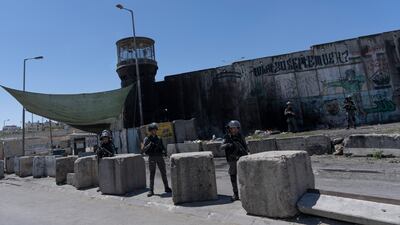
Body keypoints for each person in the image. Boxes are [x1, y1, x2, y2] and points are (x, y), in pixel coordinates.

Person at [220, 120, 249, 201]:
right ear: (229, 129)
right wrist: (228, 145)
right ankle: (235, 194)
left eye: (236, 128)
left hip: (241, 158)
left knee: (244, 176)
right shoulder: (227, 137)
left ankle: (246, 193)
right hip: (232, 159)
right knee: (233, 175)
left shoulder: (240, 136)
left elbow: (245, 147)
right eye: (232, 128)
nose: (234, 130)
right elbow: (221, 147)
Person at [142, 122, 172, 197]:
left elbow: (162, 147)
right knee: (152, 173)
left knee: (163, 172)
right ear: (150, 130)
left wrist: (164, 151)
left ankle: (166, 187)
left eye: (155, 130)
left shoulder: (159, 138)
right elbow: (143, 150)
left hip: (159, 157)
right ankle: (151, 190)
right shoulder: (147, 139)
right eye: (152, 130)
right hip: (152, 157)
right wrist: (149, 145)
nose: (154, 131)